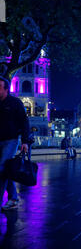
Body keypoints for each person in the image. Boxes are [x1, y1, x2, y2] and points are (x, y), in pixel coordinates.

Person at [0, 76, 29, 210]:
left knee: (1, 168)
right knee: (5, 170)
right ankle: (13, 198)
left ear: (6, 89)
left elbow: (24, 121)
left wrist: (25, 141)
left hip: (11, 140)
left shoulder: (15, 103)